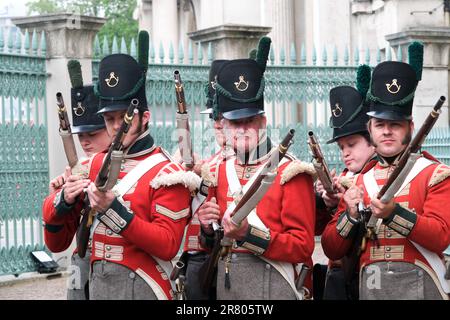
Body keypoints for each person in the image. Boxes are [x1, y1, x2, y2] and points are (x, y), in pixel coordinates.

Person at [45, 31, 197, 300]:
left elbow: (168, 244)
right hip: (99, 288)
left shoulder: (168, 174)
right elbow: (56, 242)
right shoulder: (92, 166)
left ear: (145, 117)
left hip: (144, 288)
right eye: (110, 119)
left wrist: (113, 210)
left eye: (124, 117)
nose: (116, 126)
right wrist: (63, 202)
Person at [321, 42, 450, 300]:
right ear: (369, 128)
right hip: (371, 289)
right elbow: (331, 249)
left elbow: (440, 237)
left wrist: (394, 214)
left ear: (410, 126)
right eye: (380, 124)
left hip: (423, 286)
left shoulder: (434, 173)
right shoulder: (356, 181)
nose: (387, 131)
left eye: (395, 124)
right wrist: (350, 214)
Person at [197, 37, 316, 300]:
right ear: (223, 125)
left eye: (249, 121)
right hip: (228, 290)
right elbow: (212, 246)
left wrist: (249, 234)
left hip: (273, 288)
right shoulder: (218, 172)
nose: (241, 129)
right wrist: (207, 229)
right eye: (234, 123)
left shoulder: (290, 172)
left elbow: (302, 247)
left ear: (262, 121)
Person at [42, 60, 110, 300]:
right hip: (80, 265)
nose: (84, 142)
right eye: (80, 135)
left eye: (93, 134)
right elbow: (56, 244)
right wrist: (61, 200)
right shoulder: (76, 173)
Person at [313, 66, 376, 300]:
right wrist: (326, 202)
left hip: (370, 274)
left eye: (352, 144)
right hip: (339, 275)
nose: (345, 153)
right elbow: (320, 234)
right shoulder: (343, 175)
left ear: (372, 142)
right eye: (341, 147)